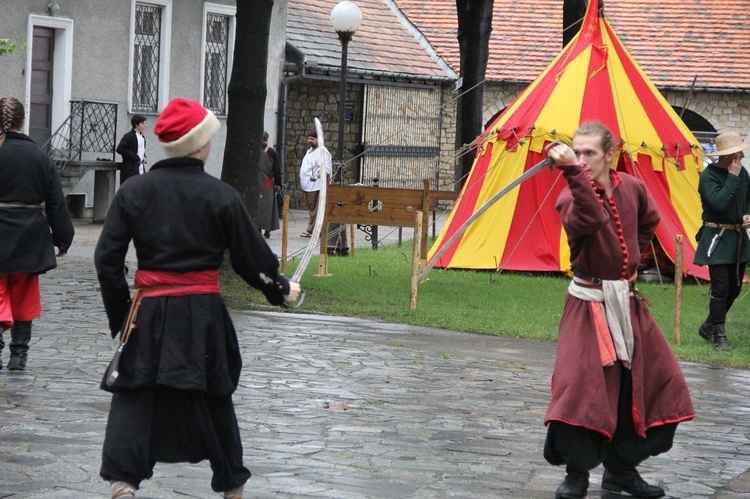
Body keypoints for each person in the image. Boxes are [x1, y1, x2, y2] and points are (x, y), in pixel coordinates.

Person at [94, 98, 301, 499]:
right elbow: (250, 260)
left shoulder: (134, 191)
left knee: (137, 392)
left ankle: (124, 483)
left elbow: (106, 261)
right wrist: (280, 289)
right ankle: (232, 487)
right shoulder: (220, 196)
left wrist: (123, 317)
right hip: (202, 313)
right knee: (212, 395)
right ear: (201, 144)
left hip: (147, 312)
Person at [543, 121, 694, 499]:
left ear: (610, 154)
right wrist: (573, 173)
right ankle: (576, 475)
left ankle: (621, 471)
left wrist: (632, 263)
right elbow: (593, 218)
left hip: (626, 303)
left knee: (654, 382)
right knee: (581, 389)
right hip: (588, 304)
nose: (581, 159)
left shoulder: (633, 187)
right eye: (576, 152)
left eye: (589, 153)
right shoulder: (570, 197)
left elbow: (650, 219)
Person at [0, 97, 74, 371]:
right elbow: (56, 201)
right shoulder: (39, 157)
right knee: (24, 295)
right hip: (29, 236)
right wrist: (63, 238)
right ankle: (19, 354)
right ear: (23, 121)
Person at [693, 131, 750, 351]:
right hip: (716, 238)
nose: (742, 158)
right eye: (738, 154)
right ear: (728, 156)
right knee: (720, 288)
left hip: (737, 238)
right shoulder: (708, 176)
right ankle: (719, 334)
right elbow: (718, 203)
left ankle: (709, 325)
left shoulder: (742, 173)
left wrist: (746, 212)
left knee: (735, 289)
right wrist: (732, 177)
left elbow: (747, 197)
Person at [298, 129, 331, 237]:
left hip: (316, 185)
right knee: (312, 208)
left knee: (315, 209)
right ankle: (315, 230)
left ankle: (312, 230)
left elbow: (325, 169)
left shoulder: (322, 152)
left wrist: (315, 177)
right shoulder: (309, 151)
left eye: (312, 139)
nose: (309, 141)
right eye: (309, 138)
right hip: (308, 185)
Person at [258, 131, 282, 238]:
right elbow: (276, 170)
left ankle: (257, 228)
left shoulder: (254, 151)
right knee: (268, 205)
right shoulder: (272, 152)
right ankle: (267, 228)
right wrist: (278, 184)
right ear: (266, 139)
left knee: (258, 204)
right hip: (267, 182)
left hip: (257, 180)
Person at [116, 114, 148, 185]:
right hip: (130, 170)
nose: (144, 125)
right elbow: (120, 149)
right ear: (136, 125)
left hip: (140, 168)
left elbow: (140, 149)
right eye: (142, 123)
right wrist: (135, 157)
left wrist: (144, 157)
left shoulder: (142, 137)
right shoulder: (128, 136)